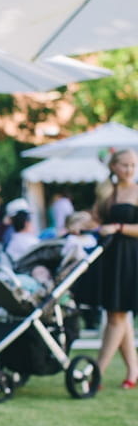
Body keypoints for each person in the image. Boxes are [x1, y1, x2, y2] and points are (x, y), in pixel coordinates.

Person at [87, 149, 138, 389]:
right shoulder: (108, 191)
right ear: (114, 166)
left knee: (117, 316)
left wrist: (117, 227)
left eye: (133, 165)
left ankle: (97, 373)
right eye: (125, 165)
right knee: (117, 314)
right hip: (110, 256)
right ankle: (133, 372)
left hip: (129, 257)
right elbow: (96, 218)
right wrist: (80, 224)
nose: (129, 170)